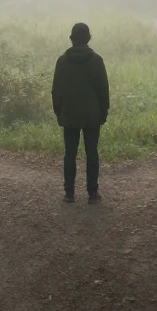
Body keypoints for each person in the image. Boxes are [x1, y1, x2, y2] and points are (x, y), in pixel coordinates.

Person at [51, 22, 109, 204]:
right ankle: (93, 193)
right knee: (92, 152)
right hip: (92, 114)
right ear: (88, 38)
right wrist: (104, 111)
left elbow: (56, 90)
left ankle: (69, 193)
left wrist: (58, 112)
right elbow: (103, 89)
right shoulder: (96, 60)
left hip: (69, 114)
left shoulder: (62, 61)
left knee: (70, 153)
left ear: (71, 39)